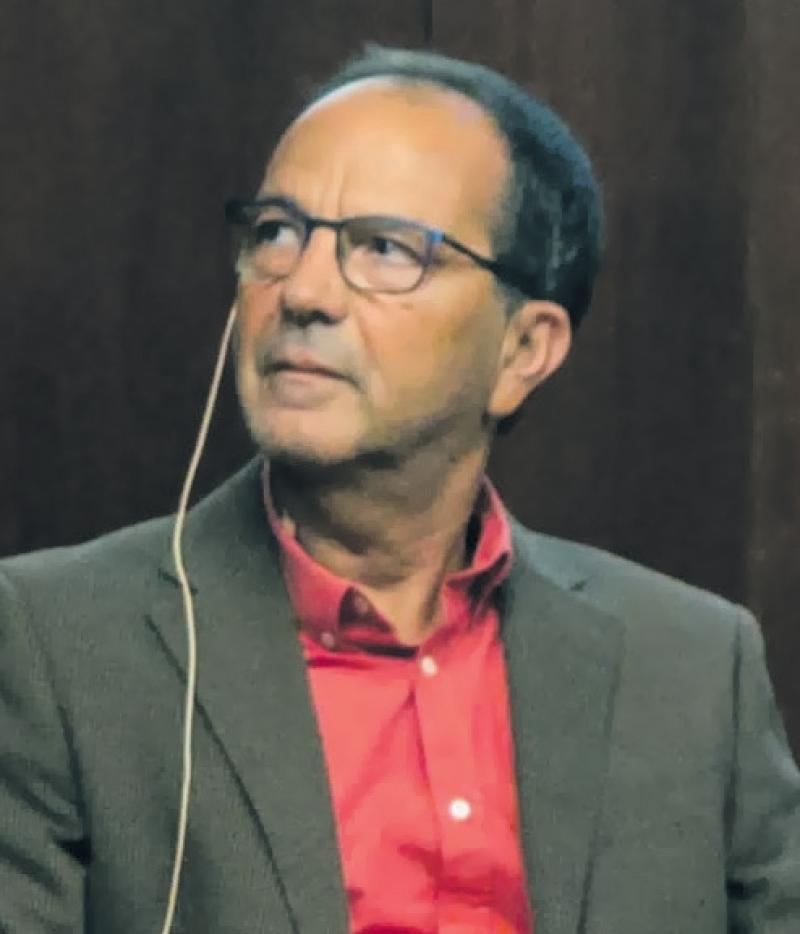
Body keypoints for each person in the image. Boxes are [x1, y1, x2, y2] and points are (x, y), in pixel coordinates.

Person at [0, 45, 798, 934]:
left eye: (384, 248)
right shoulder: (56, 645)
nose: (303, 291)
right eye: (276, 233)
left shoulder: (694, 667)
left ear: (523, 350)